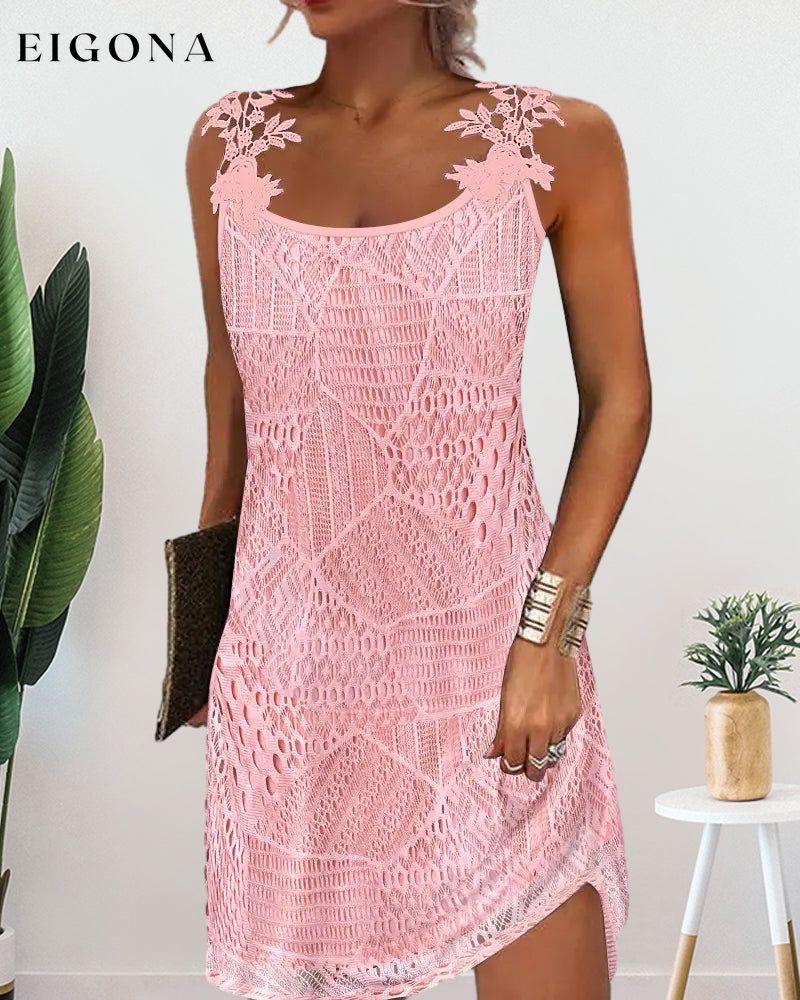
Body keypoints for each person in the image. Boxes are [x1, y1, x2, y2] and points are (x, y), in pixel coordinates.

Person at [185, 1, 650, 997]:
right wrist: (203, 637)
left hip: (494, 664)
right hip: (292, 674)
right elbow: (229, 388)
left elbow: (620, 400)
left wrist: (547, 637)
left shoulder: (558, 141)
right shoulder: (229, 143)